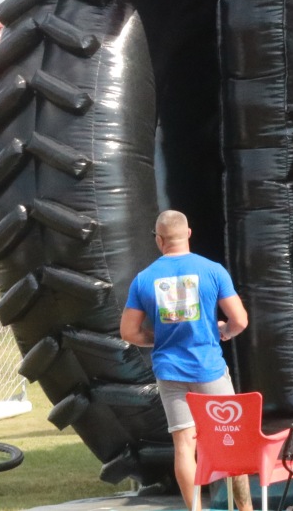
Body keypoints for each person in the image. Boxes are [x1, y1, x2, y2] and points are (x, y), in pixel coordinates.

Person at [120, 211, 251, 511]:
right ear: (188, 233)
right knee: (230, 442)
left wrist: (157, 339)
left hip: (169, 371)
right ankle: (245, 510)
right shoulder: (213, 270)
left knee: (184, 445)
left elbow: (129, 331)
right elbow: (240, 320)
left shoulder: (144, 279)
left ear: (159, 239)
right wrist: (224, 332)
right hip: (209, 369)